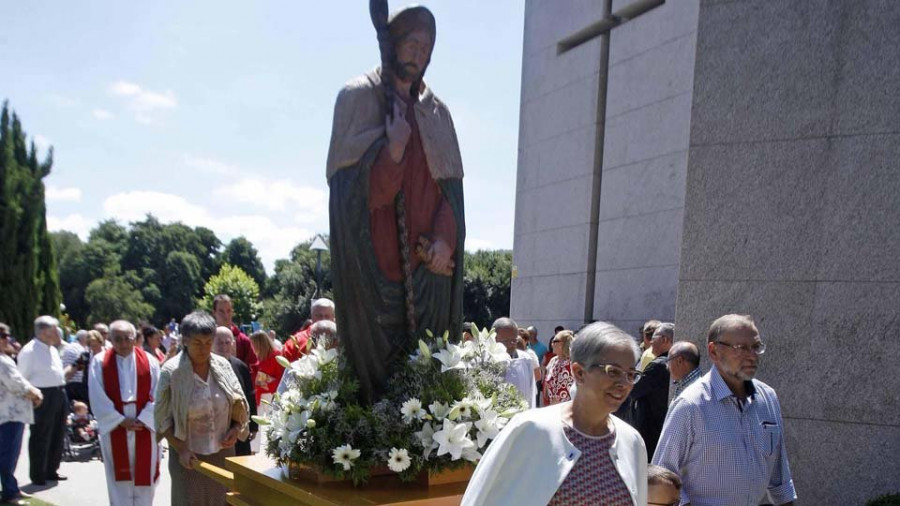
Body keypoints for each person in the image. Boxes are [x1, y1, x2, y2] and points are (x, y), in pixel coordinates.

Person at [328, 5, 466, 402]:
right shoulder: (358, 98)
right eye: (411, 44)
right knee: (375, 389)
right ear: (392, 44)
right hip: (375, 276)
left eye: (427, 48)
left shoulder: (437, 113)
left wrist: (444, 241)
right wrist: (393, 152)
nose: (419, 54)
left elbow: (449, 197)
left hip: (429, 276)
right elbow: (354, 198)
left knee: (427, 384)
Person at [462, 322, 647, 505]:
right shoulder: (530, 429)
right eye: (613, 372)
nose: (623, 383)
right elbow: (484, 498)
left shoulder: (632, 441)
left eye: (631, 374)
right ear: (579, 372)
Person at [653, 314, 797, 505]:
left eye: (755, 347)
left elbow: (780, 478)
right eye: (741, 348)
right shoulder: (690, 406)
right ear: (714, 351)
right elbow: (662, 477)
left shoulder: (767, 398)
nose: (751, 355)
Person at [155, 311, 250, 506]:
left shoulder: (223, 365)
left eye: (208, 342)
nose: (204, 348)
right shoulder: (172, 372)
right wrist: (181, 449)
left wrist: (234, 429)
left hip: (222, 453)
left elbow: (239, 404)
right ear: (185, 341)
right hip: (189, 458)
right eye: (198, 343)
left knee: (224, 501)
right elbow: (161, 418)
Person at [88, 320, 162, 506]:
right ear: (110, 339)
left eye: (127, 338)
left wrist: (145, 418)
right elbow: (96, 395)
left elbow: (159, 393)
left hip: (145, 425)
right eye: (117, 339)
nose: (123, 343)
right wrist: (119, 420)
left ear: (135, 338)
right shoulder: (99, 362)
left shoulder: (150, 361)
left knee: (145, 477)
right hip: (115, 427)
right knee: (118, 480)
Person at [17, 315, 71, 485]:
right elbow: (21, 378)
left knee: (58, 433)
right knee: (41, 435)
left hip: (59, 392)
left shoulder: (53, 349)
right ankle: (38, 473)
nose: (57, 333)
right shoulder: (29, 350)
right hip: (42, 396)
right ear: (43, 332)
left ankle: (51, 469)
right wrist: (31, 397)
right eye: (54, 330)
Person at [0, 322, 42, 504]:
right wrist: (36, 393)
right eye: (4, 336)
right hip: (9, 414)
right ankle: (10, 492)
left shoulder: (5, 357)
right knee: (8, 454)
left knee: (8, 453)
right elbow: (17, 383)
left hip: (9, 412)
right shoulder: (2, 361)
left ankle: (12, 487)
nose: (8, 339)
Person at [628, 322, 673, 459]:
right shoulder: (669, 362)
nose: (649, 342)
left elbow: (634, 390)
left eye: (654, 337)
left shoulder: (658, 365)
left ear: (665, 340)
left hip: (650, 427)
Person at [213, 327, 257, 456]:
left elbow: (249, 395)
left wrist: (253, 426)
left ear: (233, 344)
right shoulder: (205, 367)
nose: (224, 346)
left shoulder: (240, 366)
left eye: (227, 342)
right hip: (218, 431)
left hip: (240, 428)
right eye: (219, 342)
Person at [212, 294, 259, 384]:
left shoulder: (243, 341)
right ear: (214, 312)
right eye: (221, 311)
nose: (226, 315)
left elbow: (253, 369)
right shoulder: (207, 339)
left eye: (229, 311)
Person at [493, 318, 536, 409]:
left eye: (514, 340)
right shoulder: (486, 361)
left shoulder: (525, 360)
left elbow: (531, 391)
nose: (511, 344)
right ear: (494, 338)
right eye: (506, 341)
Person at [282, 298, 335, 362]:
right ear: (312, 316)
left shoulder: (342, 339)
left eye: (327, 316)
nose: (323, 319)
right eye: (319, 315)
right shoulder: (294, 343)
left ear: (333, 317)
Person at [249, 331, 284, 406]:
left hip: (271, 396)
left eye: (253, 344)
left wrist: (265, 381)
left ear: (259, 344)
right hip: (262, 396)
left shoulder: (276, 356)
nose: (252, 347)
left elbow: (281, 378)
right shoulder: (261, 356)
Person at [543, 330, 575, 405]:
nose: (551, 344)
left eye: (554, 341)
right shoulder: (553, 361)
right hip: (553, 408)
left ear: (561, 344)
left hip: (567, 408)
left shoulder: (571, 363)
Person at [62, 329, 90, 405]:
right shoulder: (82, 350)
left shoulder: (68, 347)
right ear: (84, 339)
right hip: (79, 384)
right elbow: (79, 365)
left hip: (68, 383)